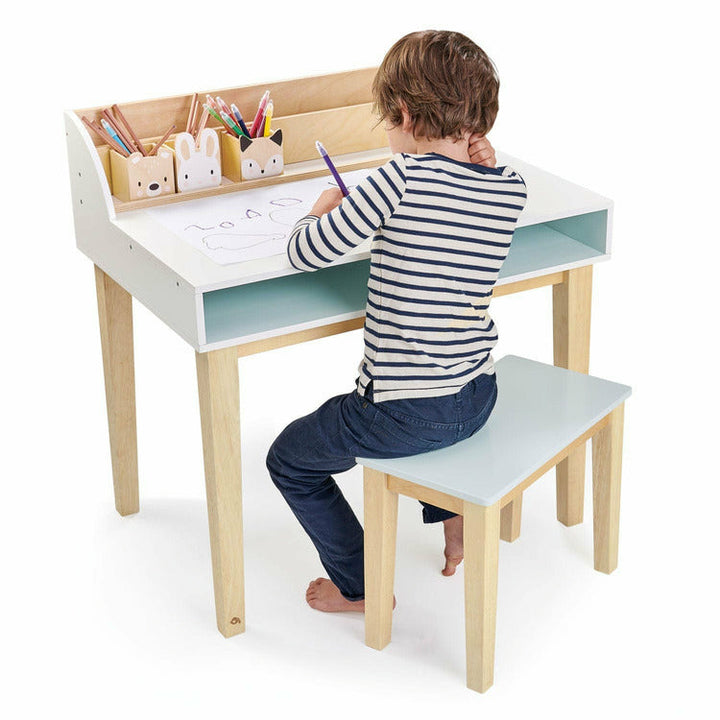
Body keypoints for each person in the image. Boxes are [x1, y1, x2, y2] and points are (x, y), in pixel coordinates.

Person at [266, 29, 528, 613]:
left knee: (289, 460)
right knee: (434, 408)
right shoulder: (509, 187)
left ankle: (362, 589)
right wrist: (483, 164)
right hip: (476, 395)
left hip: (404, 412)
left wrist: (316, 213)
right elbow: (471, 196)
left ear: (404, 114)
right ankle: (454, 520)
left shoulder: (399, 177)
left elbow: (307, 252)